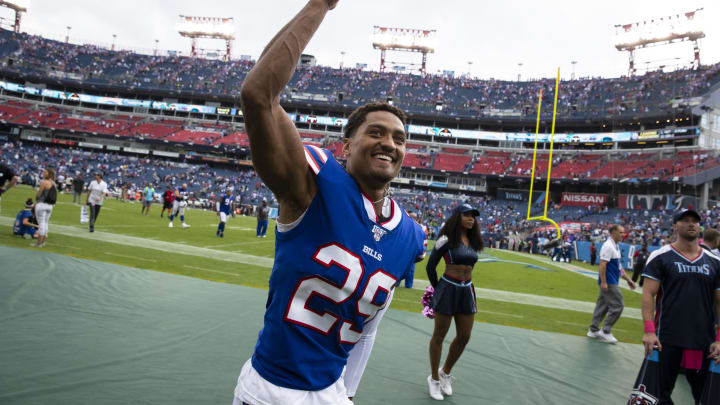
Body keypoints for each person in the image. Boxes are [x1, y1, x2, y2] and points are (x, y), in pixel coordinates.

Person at [231, 0, 426, 402]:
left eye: (399, 138)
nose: (389, 142)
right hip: (271, 390)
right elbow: (258, 94)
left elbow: (369, 327)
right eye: (376, 132)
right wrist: (321, 4)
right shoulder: (315, 184)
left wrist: (347, 391)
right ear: (347, 144)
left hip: (332, 391)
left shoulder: (410, 234)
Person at [641, 209, 720, 404]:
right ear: (675, 225)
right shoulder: (661, 256)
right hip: (666, 338)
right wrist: (649, 331)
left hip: (703, 341)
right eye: (685, 220)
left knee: (706, 396)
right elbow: (648, 294)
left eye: (695, 221)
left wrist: (719, 339)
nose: (691, 224)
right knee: (659, 395)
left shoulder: (715, 262)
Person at [425, 203, 483, 400]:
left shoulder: (473, 241)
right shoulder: (446, 239)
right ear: (457, 216)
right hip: (448, 289)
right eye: (467, 215)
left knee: (465, 336)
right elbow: (430, 267)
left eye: (473, 217)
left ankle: (445, 372)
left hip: (467, 291)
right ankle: (433, 379)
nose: (471, 219)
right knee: (439, 334)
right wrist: (438, 288)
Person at [587, 224, 636, 344]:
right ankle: (606, 331)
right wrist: (604, 282)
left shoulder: (616, 246)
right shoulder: (608, 246)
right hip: (609, 282)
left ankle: (593, 330)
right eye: (620, 232)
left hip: (611, 280)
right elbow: (602, 265)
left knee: (602, 306)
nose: (623, 234)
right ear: (613, 233)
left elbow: (618, 267)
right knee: (618, 305)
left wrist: (628, 280)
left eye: (623, 232)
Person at [32, 168, 57, 248]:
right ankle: (42, 242)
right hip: (50, 205)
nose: (43, 173)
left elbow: (39, 193)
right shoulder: (54, 183)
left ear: (48, 174)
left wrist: (36, 198)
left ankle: (38, 243)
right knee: (45, 223)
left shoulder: (44, 182)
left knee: (41, 224)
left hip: (42, 204)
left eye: (45, 172)